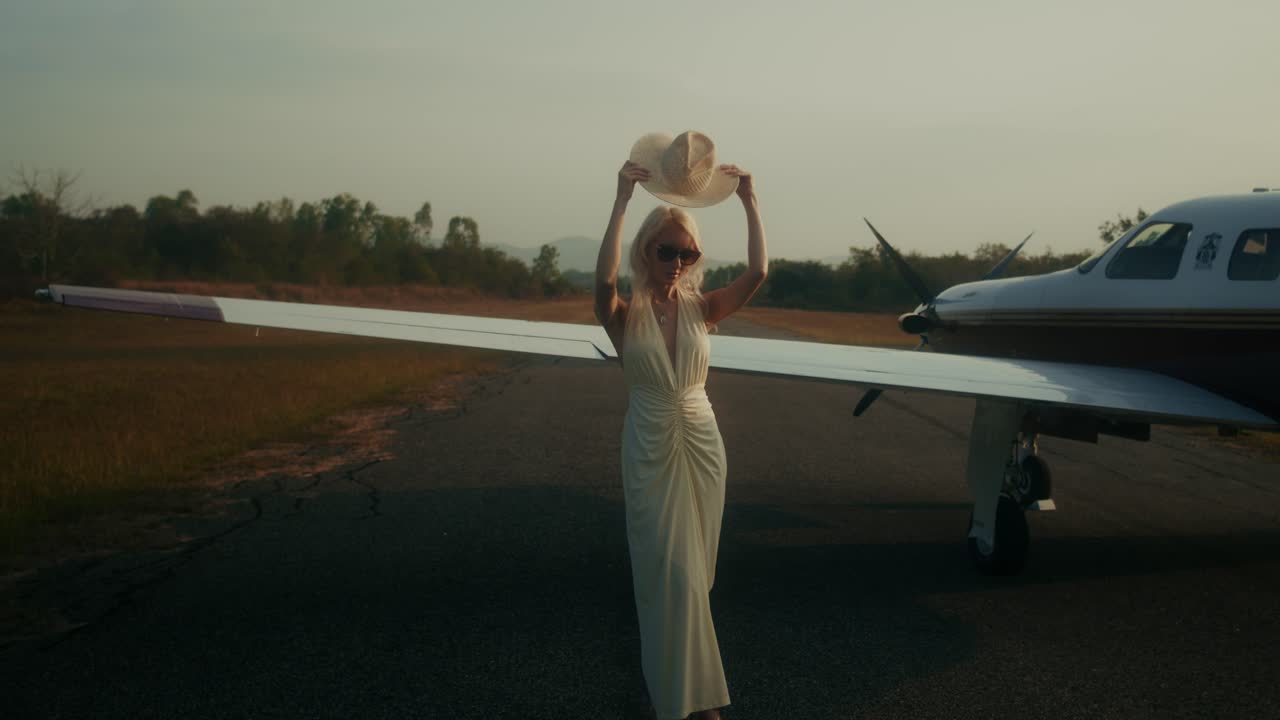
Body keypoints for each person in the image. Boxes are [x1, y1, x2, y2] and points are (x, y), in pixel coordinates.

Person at [594, 131, 768, 720]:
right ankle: (692, 704)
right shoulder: (623, 315)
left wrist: (749, 201)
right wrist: (620, 201)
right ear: (646, 252)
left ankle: (665, 685)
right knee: (665, 570)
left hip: (701, 439)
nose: (676, 262)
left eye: (686, 254)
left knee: (698, 572)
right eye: (665, 251)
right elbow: (600, 284)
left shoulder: (703, 308)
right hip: (648, 443)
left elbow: (759, 273)